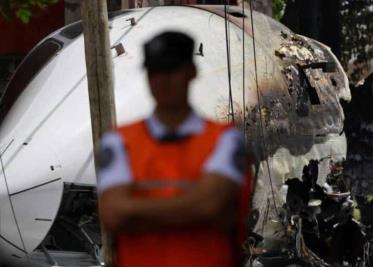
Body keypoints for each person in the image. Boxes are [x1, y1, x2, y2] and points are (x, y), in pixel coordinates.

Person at [97, 31, 252, 267]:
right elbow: (113, 214)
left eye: (171, 70)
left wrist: (136, 214)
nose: (162, 81)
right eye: (155, 72)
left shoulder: (226, 139)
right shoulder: (118, 141)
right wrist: (196, 212)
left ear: (191, 72)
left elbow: (210, 205)